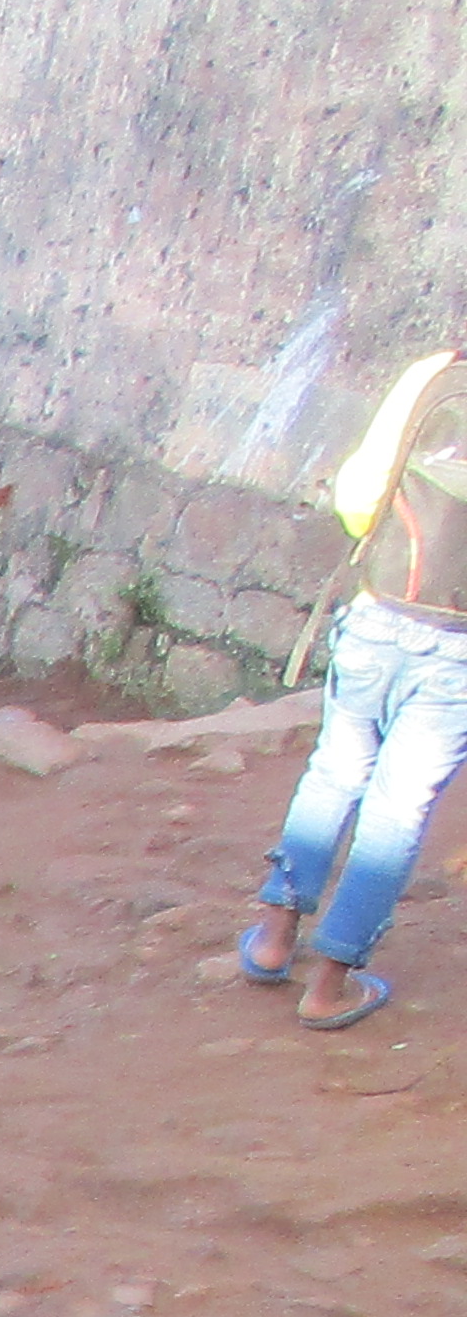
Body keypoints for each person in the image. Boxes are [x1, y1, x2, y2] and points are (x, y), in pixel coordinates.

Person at [238, 341, 467, 1034]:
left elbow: (361, 494)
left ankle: (274, 940)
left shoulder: (435, 371)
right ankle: (332, 983)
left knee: (334, 773)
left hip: (379, 610)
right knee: (397, 812)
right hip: (457, 641)